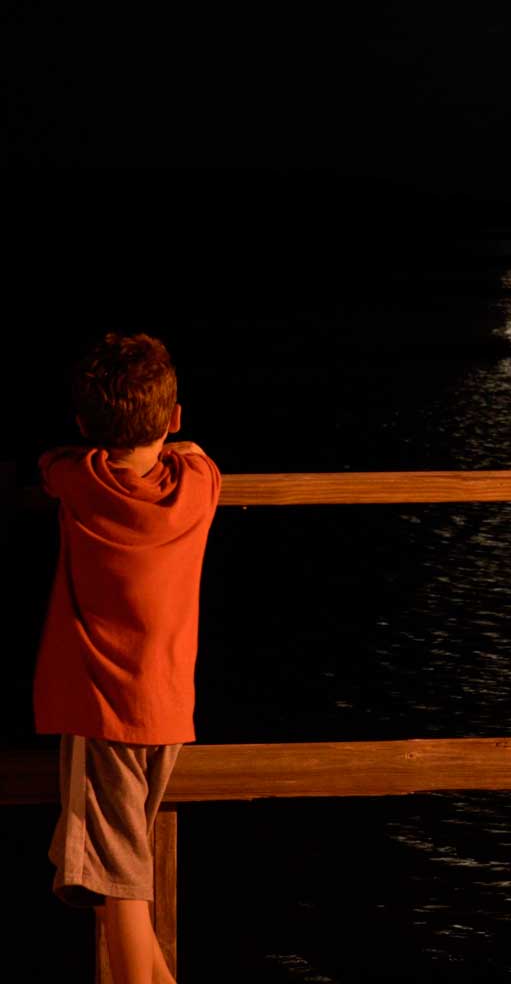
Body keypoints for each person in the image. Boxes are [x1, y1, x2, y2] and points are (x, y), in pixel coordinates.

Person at [33, 331, 221, 984]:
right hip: (167, 707)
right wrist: (183, 448)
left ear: (86, 425)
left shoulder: (79, 482)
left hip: (103, 710)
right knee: (126, 864)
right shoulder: (198, 485)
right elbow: (197, 458)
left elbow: (50, 464)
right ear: (173, 418)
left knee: (121, 882)